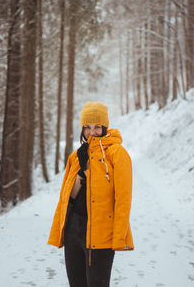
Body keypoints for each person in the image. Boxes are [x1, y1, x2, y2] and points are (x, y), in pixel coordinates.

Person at [48, 101, 134, 287]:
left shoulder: (116, 153)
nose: (91, 132)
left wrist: (119, 236)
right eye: (87, 127)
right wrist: (82, 172)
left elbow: (123, 199)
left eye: (97, 127)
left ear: (105, 127)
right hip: (74, 230)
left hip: (101, 233)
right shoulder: (76, 156)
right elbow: (67, 198)